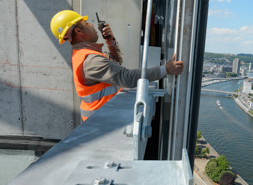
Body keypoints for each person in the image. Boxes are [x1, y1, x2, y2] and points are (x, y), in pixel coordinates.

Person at [50, 10, 184, 121]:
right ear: (79, 31)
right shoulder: (90, 60)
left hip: (100, 118)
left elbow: (116, 62)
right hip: (100, 121)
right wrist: (165, 69)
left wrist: (110, 41)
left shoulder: (84, 54)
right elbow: (127, 77)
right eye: (87, 23)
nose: (92, 26)